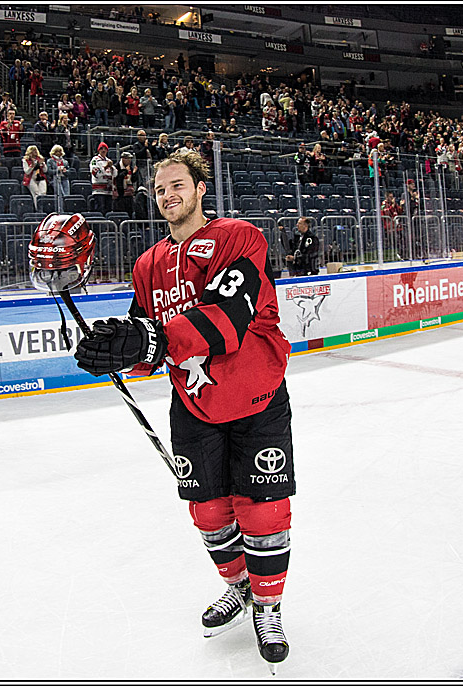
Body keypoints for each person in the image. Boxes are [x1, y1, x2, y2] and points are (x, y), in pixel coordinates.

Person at [73, 150, 294, 670]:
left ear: (200, 189)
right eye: (159, 189)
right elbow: (147, 340)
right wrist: (115, 349)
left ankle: (269, 608)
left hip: (256, 397)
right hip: (193, 405)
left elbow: (228, 313)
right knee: (208, 511)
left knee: (262, 510)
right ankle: (239, 588)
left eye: (177, 185)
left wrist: (152, 341)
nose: (168, 195)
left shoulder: (240, 237)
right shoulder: (147, 265)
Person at [89, 141, 117, 215]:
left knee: (108, 210)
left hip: (108, 191)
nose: (103, 150)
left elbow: (115, 174)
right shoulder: (95, 160)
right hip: (99, 191)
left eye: (105, 149)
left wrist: (111, 168)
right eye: (101, 148)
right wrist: (106, 168)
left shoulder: (109, 161)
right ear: (98, 150)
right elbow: (96, 173)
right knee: (100, 210)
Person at [22, 145, 48, 209]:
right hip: (31, 177)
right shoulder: (25, 160)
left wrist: (43, 164)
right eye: (33, 150)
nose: (35, 152)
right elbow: (27, 172)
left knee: (43, 193)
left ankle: (43, 208)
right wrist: (32, 165)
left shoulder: (40, 158)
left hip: (40, 176)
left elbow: (45, 170)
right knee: (36, 194)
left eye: (35, 150)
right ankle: (38, 209)